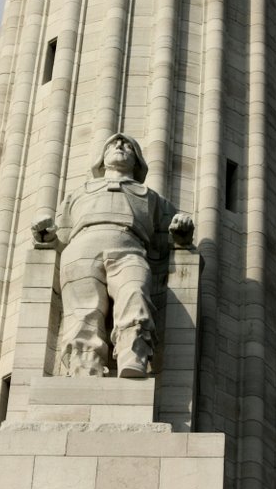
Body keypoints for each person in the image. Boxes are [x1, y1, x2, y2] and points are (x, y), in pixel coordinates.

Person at [32, 133, 194, 377]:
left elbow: (166, 240)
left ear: (138, 162)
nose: (120, 146)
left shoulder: (151, 198)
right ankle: (84, 367)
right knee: (84, 312)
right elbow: (61, 236)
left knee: (135, 292)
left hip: (130, 248)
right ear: (101, 159)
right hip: (81, 250)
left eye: (128, 145)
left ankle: (133, 356)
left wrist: (182, 233)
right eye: (113, 144)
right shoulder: (78, 195)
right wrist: (45, 235)